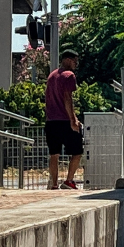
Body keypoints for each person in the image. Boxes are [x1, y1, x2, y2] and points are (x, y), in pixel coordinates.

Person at [45, 49, 83, 190]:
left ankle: (54, 184)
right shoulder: (69, 76)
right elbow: (68, 98)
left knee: (54, 154)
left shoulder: (52, 76)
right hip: (65, 120)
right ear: (67, 60)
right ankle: (69, 180)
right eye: (74, 61)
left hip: (51, 121)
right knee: (77, 152)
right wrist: (73, 119)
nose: (76, 64)